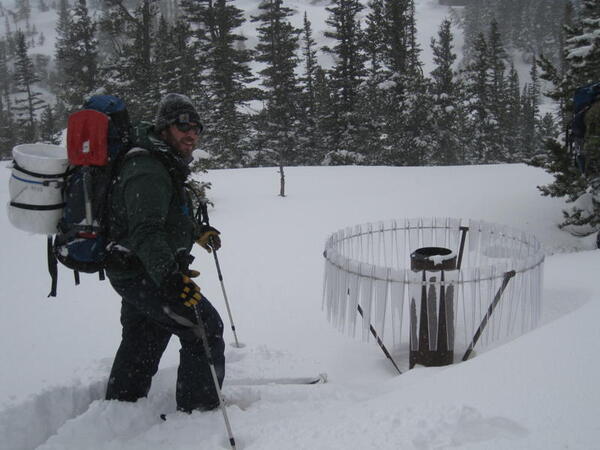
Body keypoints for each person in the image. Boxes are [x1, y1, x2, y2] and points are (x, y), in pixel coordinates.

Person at [105, 93, 225, 413]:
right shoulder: (147, 168)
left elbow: (165, 216)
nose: (191, 133)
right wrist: (170, 278)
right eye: (182, 125)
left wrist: (196, 232)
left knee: (144, 335)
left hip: (134, 269)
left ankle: (121, 407)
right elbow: (146, 230)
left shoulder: (160, 160)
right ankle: (200, 412)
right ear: (164, 127)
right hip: (144, 272)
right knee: (204, 328)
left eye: (196, 127)